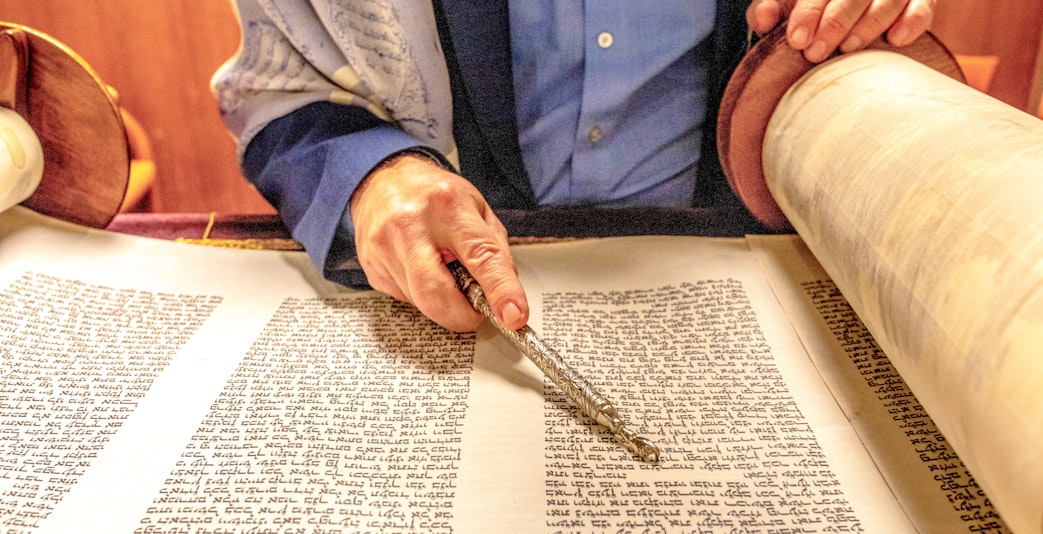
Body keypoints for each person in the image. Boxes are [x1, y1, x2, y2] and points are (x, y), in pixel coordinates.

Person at [213, 0, 935, 332]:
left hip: (754, 283)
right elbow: (284, 92)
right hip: (459, 282)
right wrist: (374, 172)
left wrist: (866, 19)